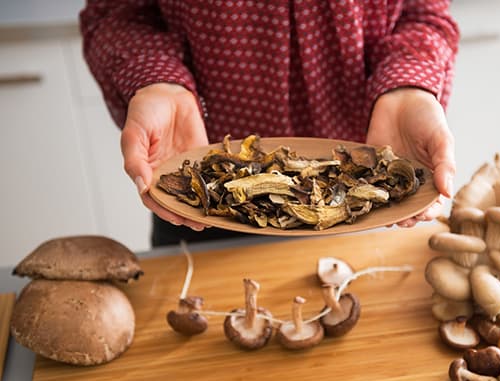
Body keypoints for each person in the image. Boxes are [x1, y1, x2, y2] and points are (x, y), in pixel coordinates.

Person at [79, 0, 459, 247]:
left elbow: (422, 14)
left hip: (363, 203)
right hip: (204, 203)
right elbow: (118, 15)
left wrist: (411, 86)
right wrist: (156, 81)